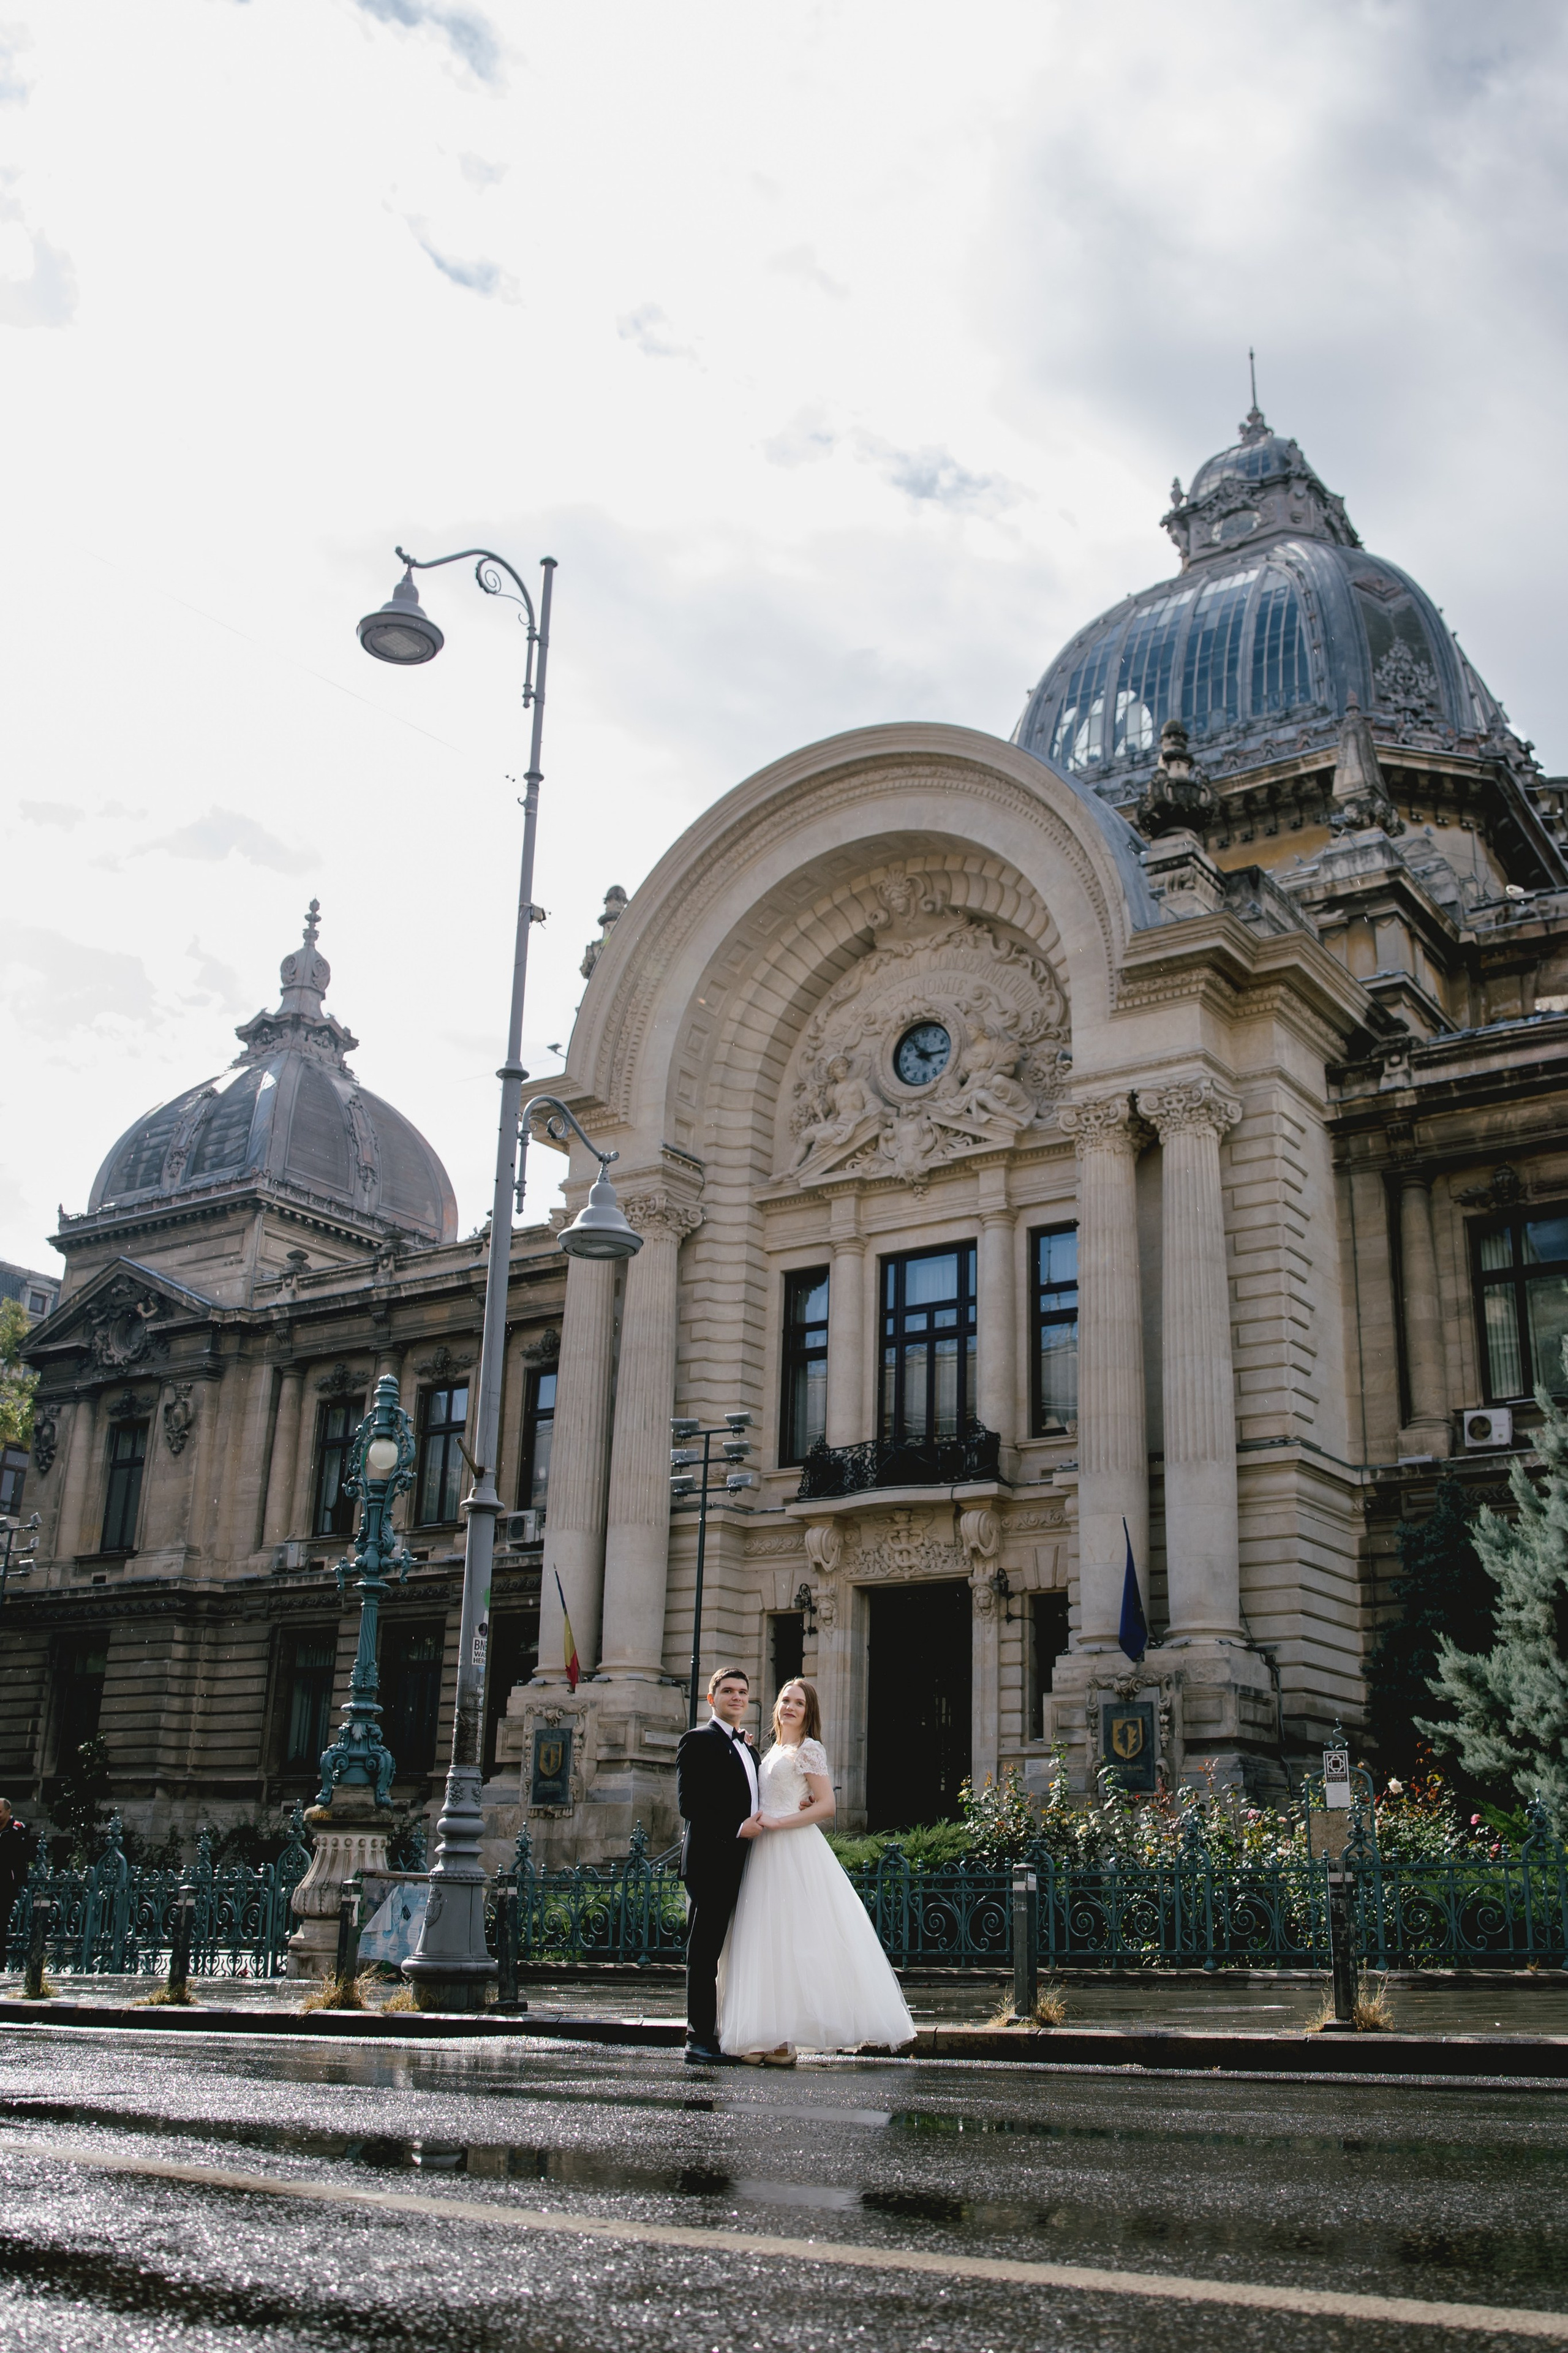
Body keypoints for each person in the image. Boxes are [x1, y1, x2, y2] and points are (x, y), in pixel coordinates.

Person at [718, 1679, 915, 2064]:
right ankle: (771, 2039)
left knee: (797, 1941)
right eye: (786, 1701)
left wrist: (781, 1822)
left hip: (792, 1848)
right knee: (768, 1941)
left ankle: (781, 2040)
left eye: (800, 1704)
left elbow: (827, 1807)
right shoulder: (772, 1750)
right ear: (776, 1707)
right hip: (763, 1852)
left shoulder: (810, 1749)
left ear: (809, 1714)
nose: (790, 1707)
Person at [675, 1665, 759, 2066]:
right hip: (710, 1861)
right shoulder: (697, 1740)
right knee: (704, 1952)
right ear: (712, 1698)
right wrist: (737, 1825)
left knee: (736, 1950)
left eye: (742, 1691)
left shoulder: (748, 1747)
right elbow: (690, 1803)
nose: (737, 1697)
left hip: (745, 1862)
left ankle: (727, 2030)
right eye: (728, 1691)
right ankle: (699, 2037)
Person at [0, 1798, 33, 1970]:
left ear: (8, 1811)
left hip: (7, 1882)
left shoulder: (17, 1829)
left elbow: (19, 1856)